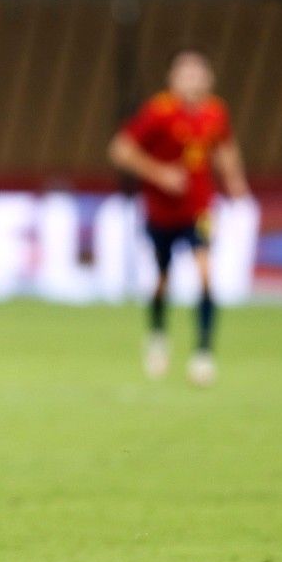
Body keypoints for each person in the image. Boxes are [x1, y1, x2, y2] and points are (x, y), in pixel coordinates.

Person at [108, 47, 249, 387]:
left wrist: (235, 181)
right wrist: (160, 174)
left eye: (197, 72)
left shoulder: (216, 112)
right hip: (160, 212)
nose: (191, 79)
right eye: (185, 73)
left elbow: (225, 147)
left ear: (208, 77)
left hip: (199, 209)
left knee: (205, 274)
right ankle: (157, 335)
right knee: (162, 279)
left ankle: (203, 353)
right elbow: (121, 150)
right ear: (173, 78)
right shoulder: (159, 112)